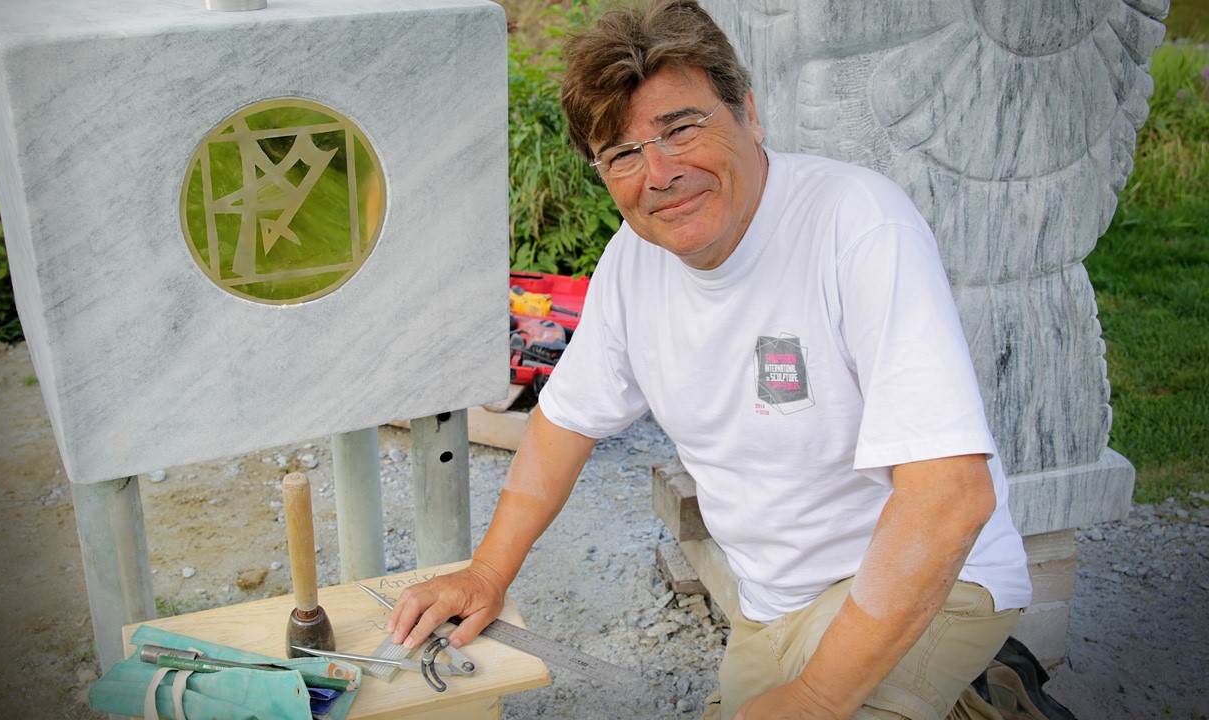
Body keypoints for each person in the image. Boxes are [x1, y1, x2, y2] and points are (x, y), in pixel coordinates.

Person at [387, 1, 1033, 717]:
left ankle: (970, 689)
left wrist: (818, 696)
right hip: (772, 607)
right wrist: (486, 572)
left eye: (681, 128)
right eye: (623, 154)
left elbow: (951, 497)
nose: (659, 173)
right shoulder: (634, 264)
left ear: (748, 114)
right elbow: (563, 423)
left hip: (930, 582)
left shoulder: (859, 226)